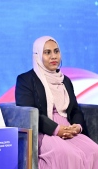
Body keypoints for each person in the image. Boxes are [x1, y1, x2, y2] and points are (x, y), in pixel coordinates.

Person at [15, 36, 98, 169]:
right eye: (47, 52)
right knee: (69, 155)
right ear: (37, 55)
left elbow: (75, 110)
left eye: (56, 51)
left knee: (94, 151)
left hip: (70, 130)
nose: (53, 56)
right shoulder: (26, 80)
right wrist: (56, 129)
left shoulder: (65, 80)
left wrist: (77, 127)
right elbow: (29, 113)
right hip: (44, 131)